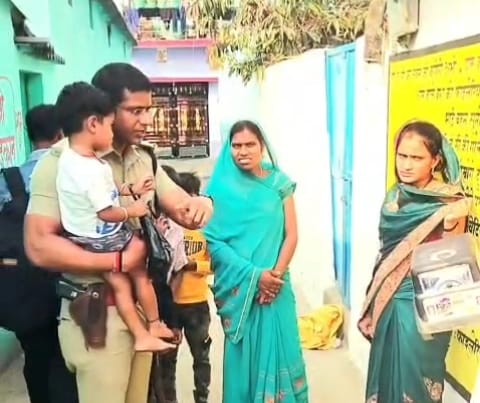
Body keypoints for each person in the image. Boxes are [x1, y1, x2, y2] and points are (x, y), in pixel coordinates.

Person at [24, 63, 213, 403]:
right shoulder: (62, 163)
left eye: (149, 110)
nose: (147, 120)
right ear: (104, 112)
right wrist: (116, 261)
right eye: (135, 111)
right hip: (96, 315)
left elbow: (182, 206)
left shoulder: (142, 158)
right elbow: (38, 245)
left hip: (140, 309)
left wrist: (203, 202)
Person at [55, 82, 174, 352]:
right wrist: (133, 210)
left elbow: (103, 191)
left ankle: (141, 335)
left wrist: (129, 189)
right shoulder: (91, 170)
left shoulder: (69, 159)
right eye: (110, 126)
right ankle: (154, 323)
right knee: (141, 270)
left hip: (83, 237)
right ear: (93, 124)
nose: (112, 133)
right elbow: (106, 212)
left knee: (120, 286)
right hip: (104, 237)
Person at [357, 121, 470, 403]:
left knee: (416, 379)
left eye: (417, 157)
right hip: (388, 299)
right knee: (385, 376)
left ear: (436, 160)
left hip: (425, 305)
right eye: (402, 156)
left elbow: (452, 262)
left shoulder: (448, 203)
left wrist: (450, 225)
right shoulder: (395, 197)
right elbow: (386, 252)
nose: (406, 165)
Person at [203, 120, 308, 402]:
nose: (243, 151)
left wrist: (275, 277)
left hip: (276, 288)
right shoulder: (220, 188)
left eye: (250, 144)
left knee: (283, 352)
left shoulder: (279, 183)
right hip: (242, 293)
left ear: (262, 146)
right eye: (236, 145)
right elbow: (213, 240)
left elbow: (292, 234)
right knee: (243, 366)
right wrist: (254, 276)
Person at [0, 104, 78, 403]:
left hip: (23, 292)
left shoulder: (7, 180)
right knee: (67, 362)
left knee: (36, 359)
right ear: (61, 134)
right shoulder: (71, 174)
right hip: (68, 284)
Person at [162, 170, 213, 403]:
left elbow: (215, 264)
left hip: (196, 304)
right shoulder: (168, 228)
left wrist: (193, 265)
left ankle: (201, 398)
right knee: (167, 361)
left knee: (201, 358)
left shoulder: (205, 231)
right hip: (171, 305)